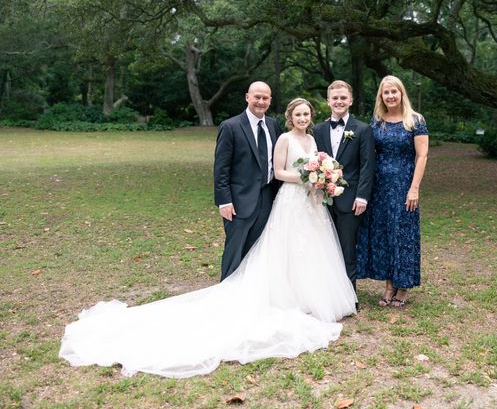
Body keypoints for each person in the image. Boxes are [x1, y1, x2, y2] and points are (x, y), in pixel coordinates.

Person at [59, 98, 357, 378]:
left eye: (306, 114)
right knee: (283, 249)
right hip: (291, 200)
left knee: (310, 250)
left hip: (309, 204)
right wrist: (308, 175)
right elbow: (278, 171)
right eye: (297, 114)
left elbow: (306, 166)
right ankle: (270, 293)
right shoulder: (282, 137)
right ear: (289, 117)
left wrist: (321, 181)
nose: (303, 118)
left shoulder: (311, 139)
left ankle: (309, 297)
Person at [356, 75, 429, 307]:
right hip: (380, 187)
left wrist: (414, 189)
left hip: (404, 184)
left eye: (393, 92)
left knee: (403, 234)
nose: (390, 96)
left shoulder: (415, 120)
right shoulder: (378, 121)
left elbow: (422, 155)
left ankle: (403, 287)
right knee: (385, 234)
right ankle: (389, 285)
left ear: (401, 93)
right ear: (381, 96)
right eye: (386, 92)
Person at [314, 80, 375, 305]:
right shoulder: (318, 129)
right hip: (322, 200)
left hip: (350, 200)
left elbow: (368, 166)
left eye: (343, 98)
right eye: (335, 98)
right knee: (324, 247)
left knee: (347, 248)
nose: (339, 101)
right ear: (328, 101)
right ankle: (326, 294)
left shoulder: (362, 129)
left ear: (350, 101)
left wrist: (362, 197)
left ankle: (349, 298)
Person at [214, 81, 282, 280]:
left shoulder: (273, 125)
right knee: (235, 249)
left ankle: (248, 290)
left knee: (257, 249)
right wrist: (224, 201)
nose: (260, 102)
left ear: (270, 100)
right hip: (238, 200)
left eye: (265, 98)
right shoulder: (230, 126)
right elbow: (221, 168)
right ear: (247, 97)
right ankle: (226, 290)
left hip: (267, 196)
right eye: (257, 97)